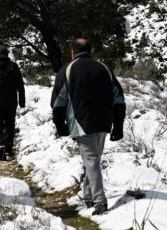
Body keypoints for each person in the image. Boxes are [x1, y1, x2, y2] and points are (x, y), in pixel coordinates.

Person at [50, 38, 125, 216]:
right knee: (93, 161)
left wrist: (60, 126)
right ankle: (88, 196)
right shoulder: (104, 68)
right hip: (105, 121)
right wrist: (118, 125)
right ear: (90, 50)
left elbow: (57, 102)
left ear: (72, 52)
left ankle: (99, 201)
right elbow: (119, 98)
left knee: (91, 161)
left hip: (82, 122)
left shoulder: (68, 70)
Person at [0, 44, 26, 161]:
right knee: (9, 124)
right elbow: (20, 86)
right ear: (7, 54)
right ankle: (8, 148)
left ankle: (0, 145)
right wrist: (22, 101)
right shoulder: (13, 66)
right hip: (11, 102)